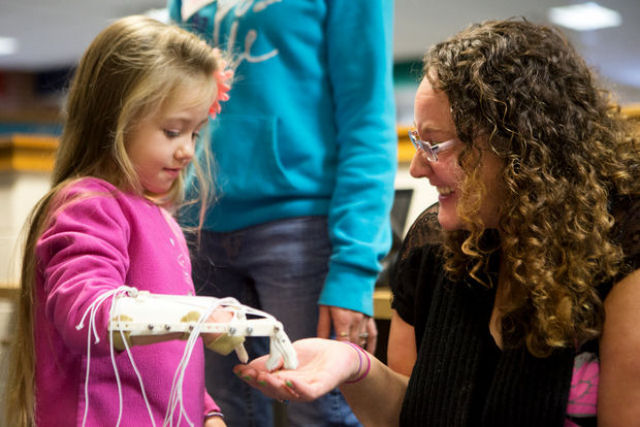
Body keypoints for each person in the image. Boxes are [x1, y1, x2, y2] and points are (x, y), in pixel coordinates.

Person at [232, 19, 640, 427]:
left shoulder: (624, 250)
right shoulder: (434, 245)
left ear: (517, 147)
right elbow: (409, 415)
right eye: (417, 142)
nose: (416, 168)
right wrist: (353, 365)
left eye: (435, 145)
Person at [168, 1, 397, 426]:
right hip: (199, 224)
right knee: (212, 411)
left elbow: (368, 116)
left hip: (301, 230)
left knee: (318, 408)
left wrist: (353, 268)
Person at [3, 15, 236, 426]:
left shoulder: (160, 218)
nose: (187, 151)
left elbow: (166, 356)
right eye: (172, 131)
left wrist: (207, 412)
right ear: (115, 119)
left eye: (195, 134)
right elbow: (86, 316)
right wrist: (193, 315)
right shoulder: (88, 204)